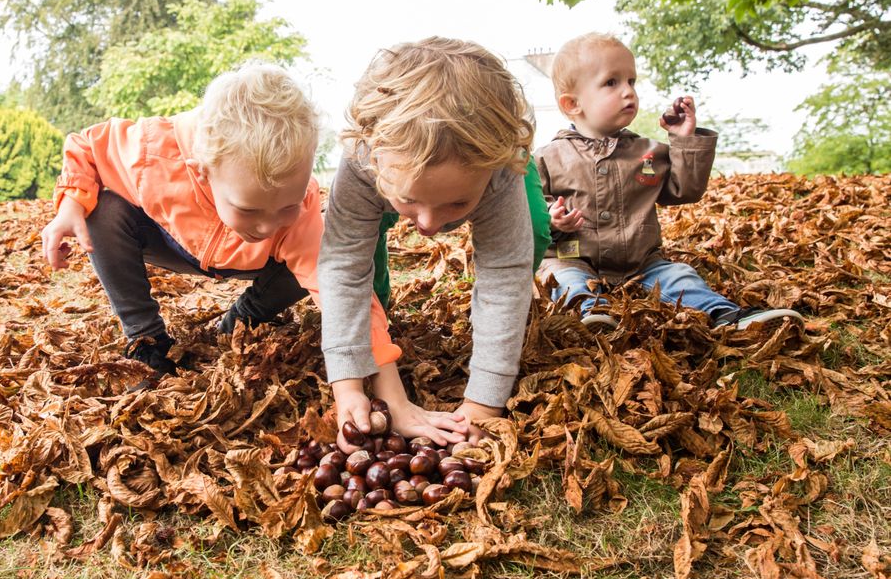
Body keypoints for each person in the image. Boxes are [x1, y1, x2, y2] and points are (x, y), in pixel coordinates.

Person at [39, 63, 400, 390]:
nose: (266, 225)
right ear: (202, 171)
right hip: (171, 240)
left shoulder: (297, 214)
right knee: (102, 208)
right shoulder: (152, 153)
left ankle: (245, 317)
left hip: (258, 264)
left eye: (285, 207)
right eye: (249, 208)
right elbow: (87, 144)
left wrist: (381, 371)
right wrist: (71, 203)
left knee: (320, 252)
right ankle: (146, 339)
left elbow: (341, 287)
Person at [318, 37, 545, 449]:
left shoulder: (498, 169)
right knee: (366, 276)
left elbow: (504, 273)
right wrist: (348, 384)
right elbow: (344, 265)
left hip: (502, 171)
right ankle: (377, 322)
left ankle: (503, 337)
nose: (427, 225)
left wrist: (484, 403)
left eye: (456, 203)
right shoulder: (361, 159)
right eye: (410, 200)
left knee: (536, 235)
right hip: (377, 188)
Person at [535, 32, 802, 332]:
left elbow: (683, 189)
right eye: (612, 82)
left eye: (631, 81)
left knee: (680, 277)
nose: (628, 92)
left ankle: (725, 314)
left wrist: (683, 140)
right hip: (573, 258)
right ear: (572, 104)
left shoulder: (647, 153)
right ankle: (592, 316)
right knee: (564, 279)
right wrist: (552, 218)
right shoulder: (549, 157)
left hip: (642, 263)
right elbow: (529, 208)